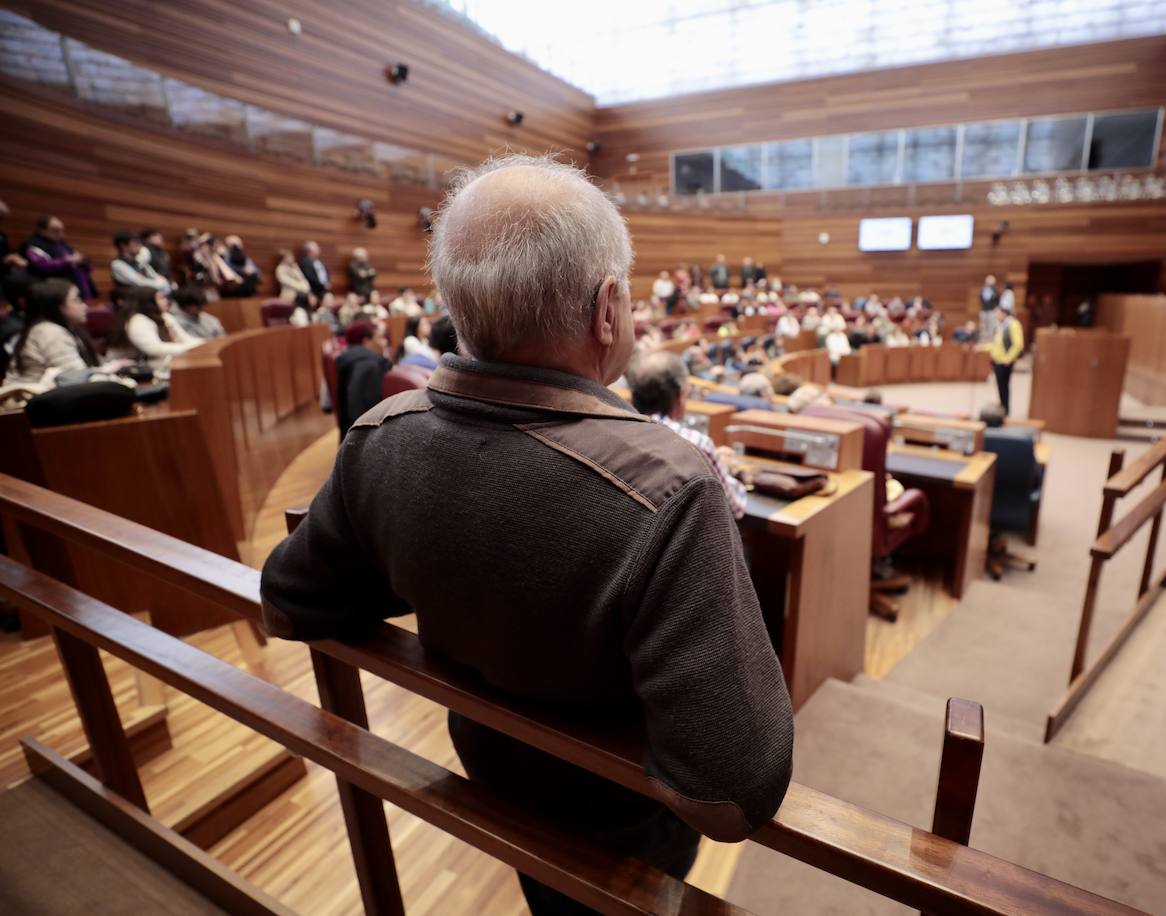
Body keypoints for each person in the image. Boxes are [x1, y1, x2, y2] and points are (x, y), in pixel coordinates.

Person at [260, 154, 792, 916]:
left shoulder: (382, 438)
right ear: (608, 310)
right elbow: (736, 788)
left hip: (492, 775)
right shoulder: (669, 488)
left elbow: (289, 600)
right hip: (623, 834)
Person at [626, 350, 749, 520]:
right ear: (682, 394)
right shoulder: (697, 444)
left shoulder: (616, 430)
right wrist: (722, 467)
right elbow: (736, 507)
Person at [2, 279, 112, 385]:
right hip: (27, 399)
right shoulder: (48, 331)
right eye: (76, 300)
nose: (84, 306)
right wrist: (110, 371)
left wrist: (112, 367)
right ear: (57, 306)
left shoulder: (68, 328)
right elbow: (78, 378)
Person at [107, 287, 200, 375]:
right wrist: (188, 347)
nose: (166, 301)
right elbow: (155, 349)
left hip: (148, 365)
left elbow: (186, 339)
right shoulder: (137, 321)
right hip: (127, 370)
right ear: (148, 302)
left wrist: (207, 344)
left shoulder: (165, 316)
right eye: (161, 298)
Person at [332, 318, 390, 437]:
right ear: (366, 341)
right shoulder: (369, 366)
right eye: (379, 338)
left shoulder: (350, 359)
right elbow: (364, 410)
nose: (384, 342)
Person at [24, 216, 96, 300]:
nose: (60, 234)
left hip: (79, 288)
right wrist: (67, 260)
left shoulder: (64, 245)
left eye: (62, 230)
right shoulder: (35, 245)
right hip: (57, 291)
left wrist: (84, 261)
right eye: (55, 230)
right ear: (42, 230)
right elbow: (42, 265)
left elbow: (85, 266)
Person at [984, 303, 1024, 414]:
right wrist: (983, 347)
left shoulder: (1013, 324)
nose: (995, 315)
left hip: (1005, 362)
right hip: (997, 360)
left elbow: (1018, 345)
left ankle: (1006, 410)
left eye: (997, 312)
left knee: (1004, 387)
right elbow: (996, 343)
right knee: (1000, 386)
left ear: (1004, 313)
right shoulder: (1000, 325)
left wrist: (1008, 358)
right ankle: (1002, 407)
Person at [979, 274, 999, 341]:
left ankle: (990, 343)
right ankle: (983, 342)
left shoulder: (995, 291)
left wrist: (995, 310)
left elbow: (997, 300)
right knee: (983, 327)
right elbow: (981, 299)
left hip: (992, 311)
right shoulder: (983, 289)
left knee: (991, 327)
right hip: (984, 310)